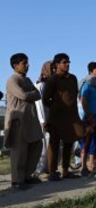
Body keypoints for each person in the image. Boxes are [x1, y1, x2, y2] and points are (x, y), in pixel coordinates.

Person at [43, 53, 87, 181]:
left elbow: (74, 96)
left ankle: (66, 170)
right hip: (56, 117)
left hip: (71, 117)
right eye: (64, 62)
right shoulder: (53, 80)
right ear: (57, 64)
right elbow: (46, 99)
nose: (67, 64)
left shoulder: (73, 78)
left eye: (68, 62)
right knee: (54, 144)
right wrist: (57, 106)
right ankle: (52, 172)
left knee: (69, 142)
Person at [4, 53, 43, 190]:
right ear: (15, 65)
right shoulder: (12, 80)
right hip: (18, 120)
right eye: (24, 63)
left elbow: (38, 94)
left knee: (36, 145)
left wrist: (30, 94)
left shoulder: (27, 80)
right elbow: (23, 95)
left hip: (31, 120)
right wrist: (31, 94)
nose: (27, 66)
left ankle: (27, 176)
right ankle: (16, 181)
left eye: (27, 63)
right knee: (19, 152)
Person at [79, 62, 96, 175]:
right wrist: (89, 115)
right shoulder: (87, 83)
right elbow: (83, 100)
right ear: (91, 71)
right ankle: (83, 167)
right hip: (89, 116)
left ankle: (92, 165)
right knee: (86, 142)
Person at [35, 61, 53, 174]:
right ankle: (39, 169)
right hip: (43, 120)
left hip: (50, 119)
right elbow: (39, 103)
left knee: (49, 143)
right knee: (43, 145)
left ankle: (47, 167)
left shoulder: (49, 85)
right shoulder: (40, 85)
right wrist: (43, 120)